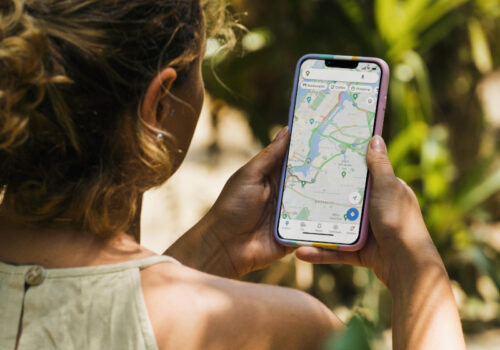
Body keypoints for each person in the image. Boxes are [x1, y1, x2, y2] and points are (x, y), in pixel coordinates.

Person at [0, 0, 466, 349]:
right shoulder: (283, 330)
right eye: (201, 68)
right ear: (160, 104)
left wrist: (214, 247)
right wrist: (415, 270)